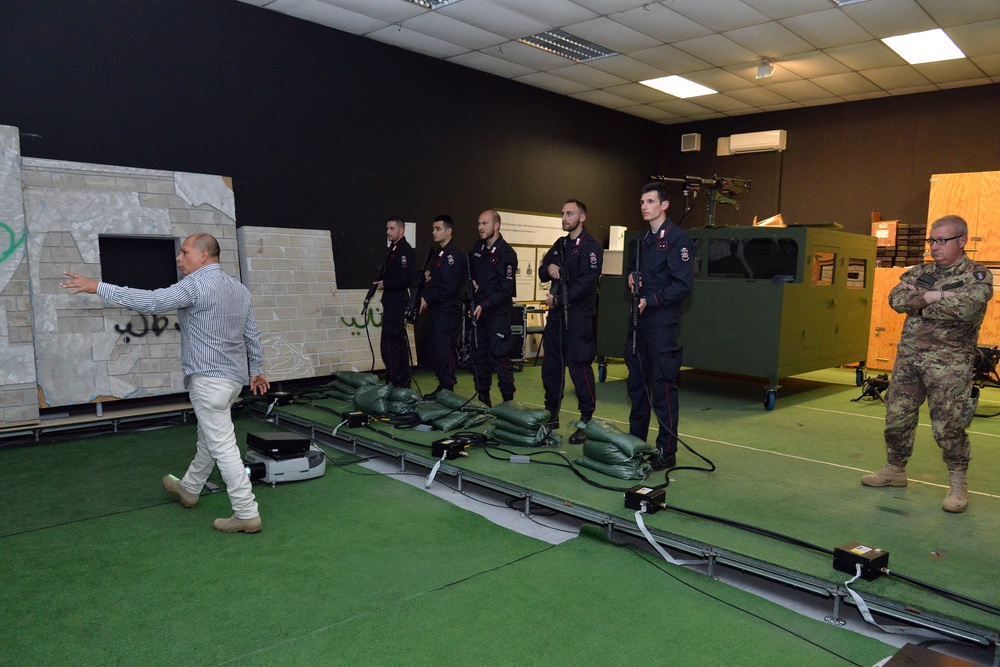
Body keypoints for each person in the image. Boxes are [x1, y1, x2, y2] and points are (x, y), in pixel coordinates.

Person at [61, 233, 270, 534]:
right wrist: (257, 369)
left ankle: (246, 512)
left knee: (223, 447)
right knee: (209, 439)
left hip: (209, 381)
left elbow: (153, 301)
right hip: (232, 380)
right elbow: (252, 333)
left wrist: (99, 287)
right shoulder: (238, 289)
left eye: (184, 252)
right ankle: (189, 488)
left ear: (203, 256)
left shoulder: (196, 284)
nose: (178, 258)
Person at [861, 215, 992, 513]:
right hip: (909, 358)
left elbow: (965, 309)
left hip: (950, 363)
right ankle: (895, 469)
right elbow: (896, 299)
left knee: (949, 426)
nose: (934, 246)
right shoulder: (921, 271)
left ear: (962, 241)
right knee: (896, 417)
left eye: (941, 240)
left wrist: (919, 303)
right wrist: (937, 295)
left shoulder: (978, 275)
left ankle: (958, 481)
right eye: (932, 240)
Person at [625, 182, 694, 471]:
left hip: (662, 324)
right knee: (637, 386)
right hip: (638, 323)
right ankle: (634, 444)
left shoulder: (678, 239)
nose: (644, 206)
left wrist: (651, 300)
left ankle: (666, 452)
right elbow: (634, 269)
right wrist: (630, 277)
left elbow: (682, 286)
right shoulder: (641, 241)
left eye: (650, 201)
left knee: (662, 388)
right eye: (642, 201)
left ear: (664, 205)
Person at [538, 199, 603, 443]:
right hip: (556, 319)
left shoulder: (591, 246)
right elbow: (543, 269)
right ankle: (551, 415)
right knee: (551, 368)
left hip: (578, 318)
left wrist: (559, 298)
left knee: (579, 368)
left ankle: (586, 420)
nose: (564, 218)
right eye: (563, 213)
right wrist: (551, 265)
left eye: (570, 214)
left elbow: (587, 282)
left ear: (582, 217)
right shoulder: (561, 244)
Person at [469, 209, 517, 406]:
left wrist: (484, 303)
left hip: (498, 314)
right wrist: (471, 280)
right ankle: (483, 399)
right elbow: (470, 270)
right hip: (479, 314)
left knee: (499, 358)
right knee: (478, 357)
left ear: (496, 225)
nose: (480, 227)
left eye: (485, 224)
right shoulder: (477, 248)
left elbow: (505, 289)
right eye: (479, 223)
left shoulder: (507, 254)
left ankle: (508, 402)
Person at [419, 214, 465, 399]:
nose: (434, 232)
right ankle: (443, 386)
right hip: (437, 310)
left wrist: (428, 298)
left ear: (449, 231)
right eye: (433, 229)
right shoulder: (440, 254)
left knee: (443, 350)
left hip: (447, 310)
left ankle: (448, 389)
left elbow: (450, 287)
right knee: (434, 350)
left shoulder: (453, 255)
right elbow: (440, 279)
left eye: (438, 229)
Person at [376, 216, 415, 387]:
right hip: (391, 302)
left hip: (397, 303)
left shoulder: (404, 250)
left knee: (391, 342)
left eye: (391, 229)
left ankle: (396, 379)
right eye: (387, 228)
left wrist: (386, 284)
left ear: (401, 230)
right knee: (393, 342)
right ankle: (398, 378)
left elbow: (406, 279)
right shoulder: (393, 249)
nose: (388, 232)